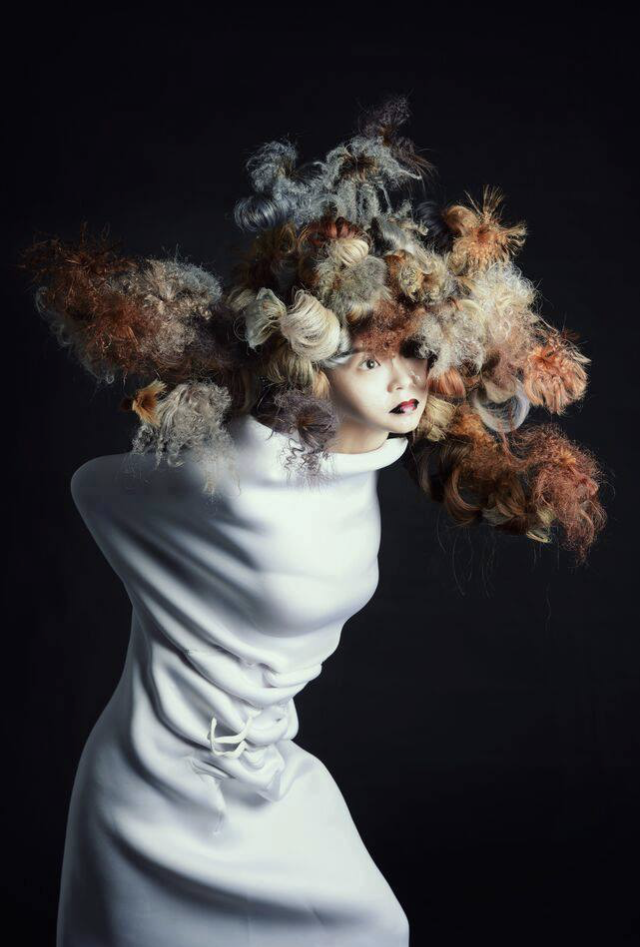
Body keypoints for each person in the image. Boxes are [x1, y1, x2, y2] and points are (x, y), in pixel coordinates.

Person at [20, 94, 605, 946]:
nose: (402, 378)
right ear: (315, 363)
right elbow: (96, 488)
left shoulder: (365, 463)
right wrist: (176, 591)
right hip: (156, 787)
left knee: (370, 927)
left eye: (412, 349)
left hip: (265, 778)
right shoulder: (247, 469)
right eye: (368, 359)